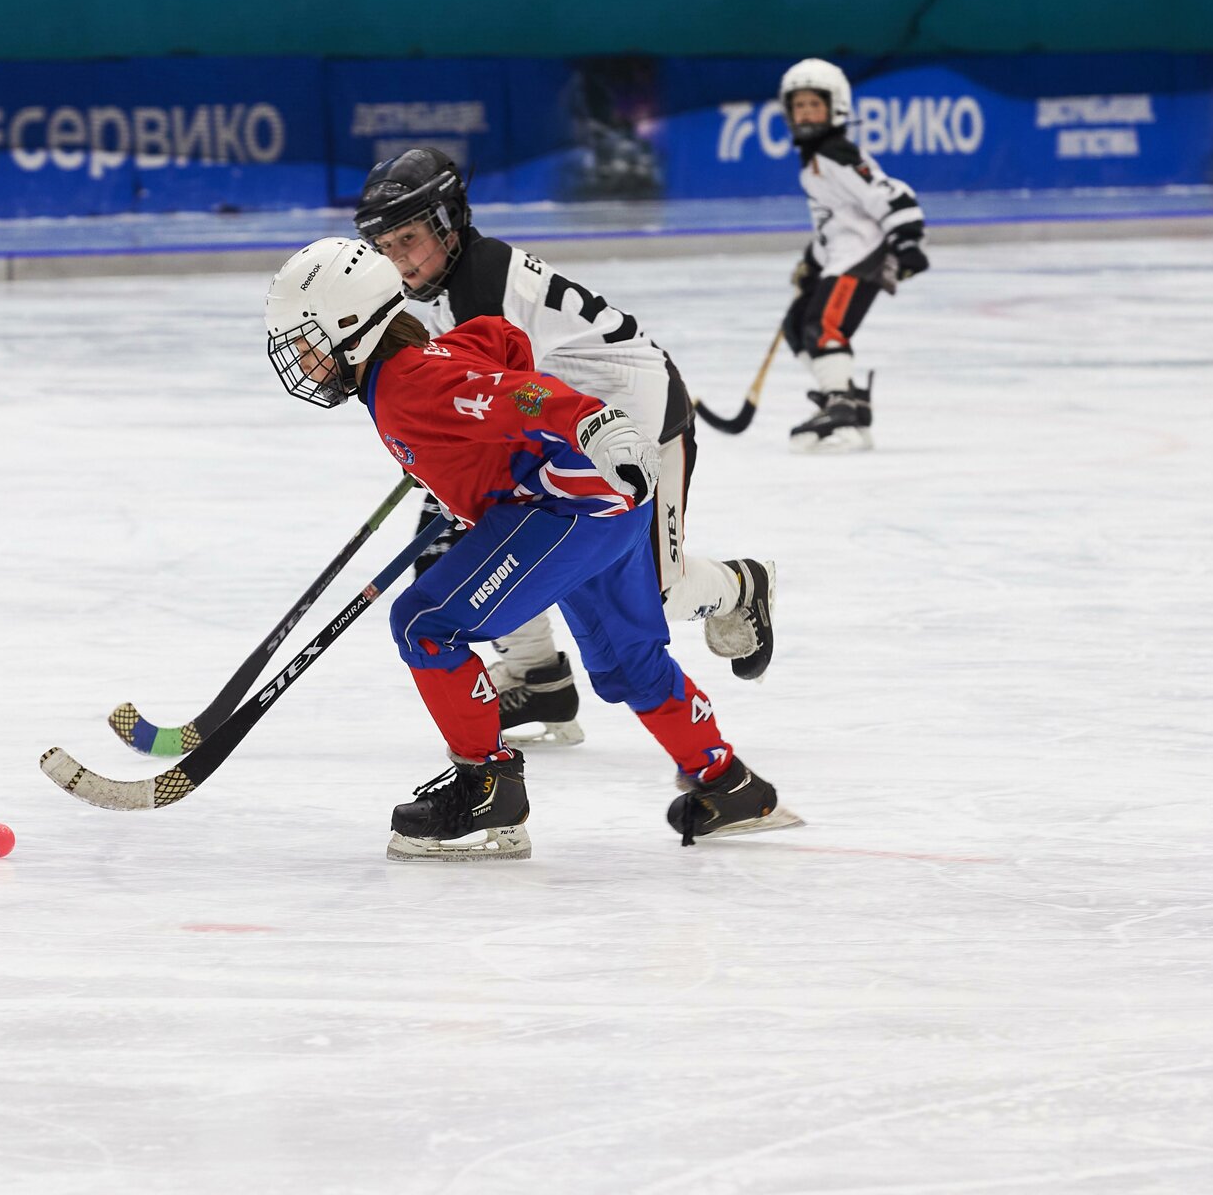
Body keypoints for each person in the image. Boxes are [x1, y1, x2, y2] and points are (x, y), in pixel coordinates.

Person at [263, 236, 800, 861]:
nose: (300, 360)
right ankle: (730, 787)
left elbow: (517, 396)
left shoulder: (410, 383)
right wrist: (473, 460)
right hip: (607, 504)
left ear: (352, 327)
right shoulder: (424, 359)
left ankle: (486, 788)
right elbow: (500, 339)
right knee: (628, 664)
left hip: (570, 507)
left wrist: (588, 422)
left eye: (307, 342)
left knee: (425, 624)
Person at [351, 148, 776, 748]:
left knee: (656, 590)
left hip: (640, 417)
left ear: (448, 221)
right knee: (471, 543)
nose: (398, 260)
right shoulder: (454, 283)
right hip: (574, 434)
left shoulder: (480, 282)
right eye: (386, 247)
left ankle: (739, 586)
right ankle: (537, 673)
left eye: (410, 239)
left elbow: (505, 389)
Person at [776, 58, 929, 452]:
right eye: (799, 105)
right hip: (840, 257)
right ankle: (846, 399)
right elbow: (838, 221)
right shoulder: (814, 161)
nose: (806, 112)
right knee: (797, 326)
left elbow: (890, 193)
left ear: (837, 107)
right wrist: (813, 261)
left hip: (862, 259)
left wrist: (908, 240)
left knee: (824, 327)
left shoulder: (836, 153)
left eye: (815, 104)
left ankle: (840, 406)